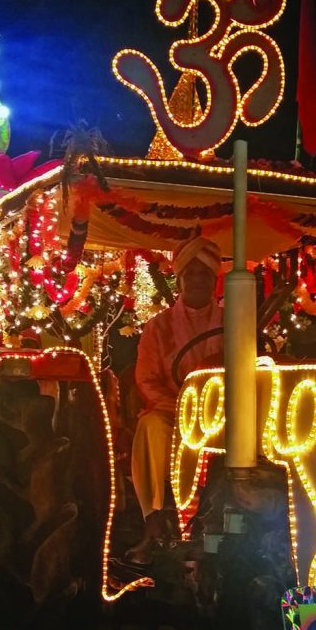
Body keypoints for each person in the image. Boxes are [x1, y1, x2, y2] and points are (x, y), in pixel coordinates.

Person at [126, 235, 224, 564]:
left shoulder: (234, 323)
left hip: (225, 412)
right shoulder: (158, 327)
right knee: (152, 426)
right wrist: (179, 407)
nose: (197, 279)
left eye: (204, 273)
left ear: (214, 280)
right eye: (191, 273)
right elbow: (146, 379)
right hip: (172, 411)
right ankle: (153, 523)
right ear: (180, 279)